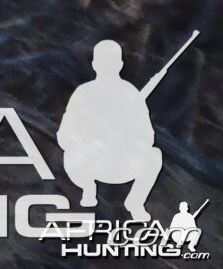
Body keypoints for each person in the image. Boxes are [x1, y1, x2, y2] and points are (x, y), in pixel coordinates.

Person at [60, 40, 167, 218]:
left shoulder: (131, 93)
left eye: (111, 62)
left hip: (120, 161)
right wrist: (89, 137)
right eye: (103, 62)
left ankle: (135, 203)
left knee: (154, 156)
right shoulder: (84, 92)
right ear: (94, 64)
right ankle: (88, 190)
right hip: (88, 161)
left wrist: (126, 134)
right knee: (70, 156)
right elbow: (65, 133)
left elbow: (148, 136)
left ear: (120, 65)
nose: (107, 67)